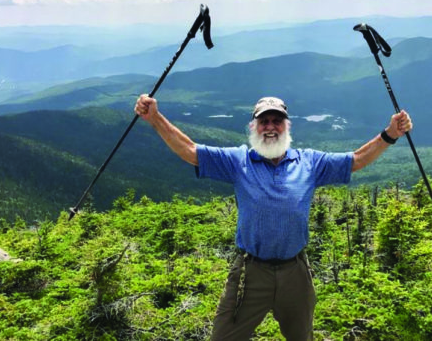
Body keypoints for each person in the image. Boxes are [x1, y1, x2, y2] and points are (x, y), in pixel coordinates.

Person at [134, 95, 412, 341]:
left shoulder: (310, 162)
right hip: (249, 271)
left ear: (287, 127)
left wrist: (390, 134)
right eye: (263, 121)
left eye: (277, 121)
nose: (270, 126)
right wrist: (155, 118)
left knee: (301, 336)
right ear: (253, 127)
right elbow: (191, 151)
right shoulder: (238, 161)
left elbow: (356, 159)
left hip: (295, 272)